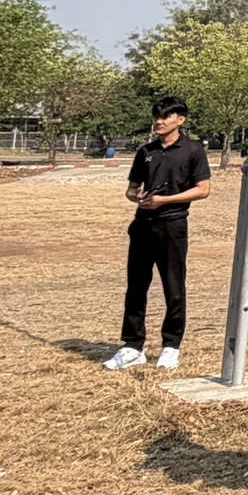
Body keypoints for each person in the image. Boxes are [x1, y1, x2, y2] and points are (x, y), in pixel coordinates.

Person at [104, 95, 213, 372]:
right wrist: (137, 197)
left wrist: (165, 200)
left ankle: (171, 346)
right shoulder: (146, 151)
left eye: (165, 117)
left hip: (173, 225)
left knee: (173, 287)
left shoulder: (193, 150)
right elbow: (131, 189)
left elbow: (203, 190)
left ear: (180, 120)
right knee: (136, 287)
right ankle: (132, 346)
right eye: (156, 117)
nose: (159, 122)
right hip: (143, 225)